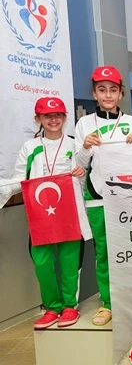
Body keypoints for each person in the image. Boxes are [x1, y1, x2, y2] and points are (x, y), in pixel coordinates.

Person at [0, 98, 86, 329]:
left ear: (65, 118)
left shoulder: (74, 145)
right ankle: (52, 307)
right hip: (40, 214)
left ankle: (70, 306)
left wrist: (82, 172)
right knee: (42, 263)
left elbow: (87, 174)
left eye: (58, 115)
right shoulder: (30, 147)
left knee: (70, 262)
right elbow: (20, 179)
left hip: (70, 212)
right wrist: (3, 187)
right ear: (37, 119)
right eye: (47, 115)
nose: (53, 119)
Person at [75, 65, 132, 326]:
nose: (107, 95)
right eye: (102, 89)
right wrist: (85, 146)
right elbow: (79, 166)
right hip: (98, 199)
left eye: (113, 90)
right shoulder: (84, 124)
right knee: (104, 253)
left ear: (120, 93)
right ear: (94, 93)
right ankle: (108, 302)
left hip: (128, 199)